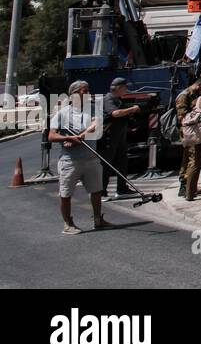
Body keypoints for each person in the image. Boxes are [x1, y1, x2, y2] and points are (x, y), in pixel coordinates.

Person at [49, 81, 111, 234]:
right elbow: (51, 135)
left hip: (91, 158)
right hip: (70, 161)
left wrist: (79, 137)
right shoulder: (62, 113)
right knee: (66, 194)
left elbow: (96, 124)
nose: (88, 93)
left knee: (96, 190)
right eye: (85, 90)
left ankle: (98, 219)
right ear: (75, 94)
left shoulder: (93, 110)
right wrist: (66, 139)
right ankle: (68, 223)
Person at [99, 77, 140, 197]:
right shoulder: (109, 99)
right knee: (106, 164)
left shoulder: (118, 99)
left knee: (122, 163)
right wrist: (132, 109)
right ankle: (102, 192)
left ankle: (122, 189)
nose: (126, 89)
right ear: (118, 88)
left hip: (119, 137)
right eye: (125, 87)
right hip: (109, 137)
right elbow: (114, 113)